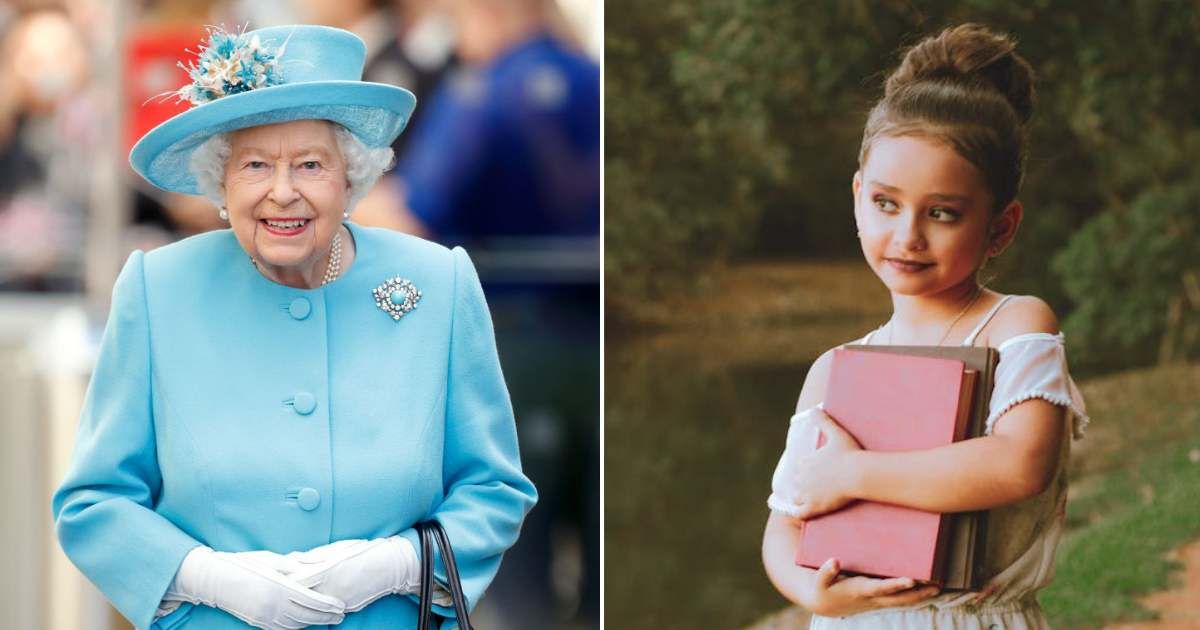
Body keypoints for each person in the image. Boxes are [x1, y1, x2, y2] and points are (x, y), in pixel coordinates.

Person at [51, 24, 536, 630]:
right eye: (256, 165)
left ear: (351, 177)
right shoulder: (158, 289)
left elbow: (493, 489)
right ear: (221, 181)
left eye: (310, 164)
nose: (284, 193)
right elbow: (93, 503)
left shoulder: (439, 283)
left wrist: (396, 565)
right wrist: (208, 577)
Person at [762, 24, 1088, 629]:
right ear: (859, 197)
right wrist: (815, 593)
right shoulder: (834, 368)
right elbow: (784, 523)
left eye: (942, 213)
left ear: (1001, 227)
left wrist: (852, 473)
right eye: (887, 203)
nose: (908, 235)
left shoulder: (1013, 324)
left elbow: (1019, 464)